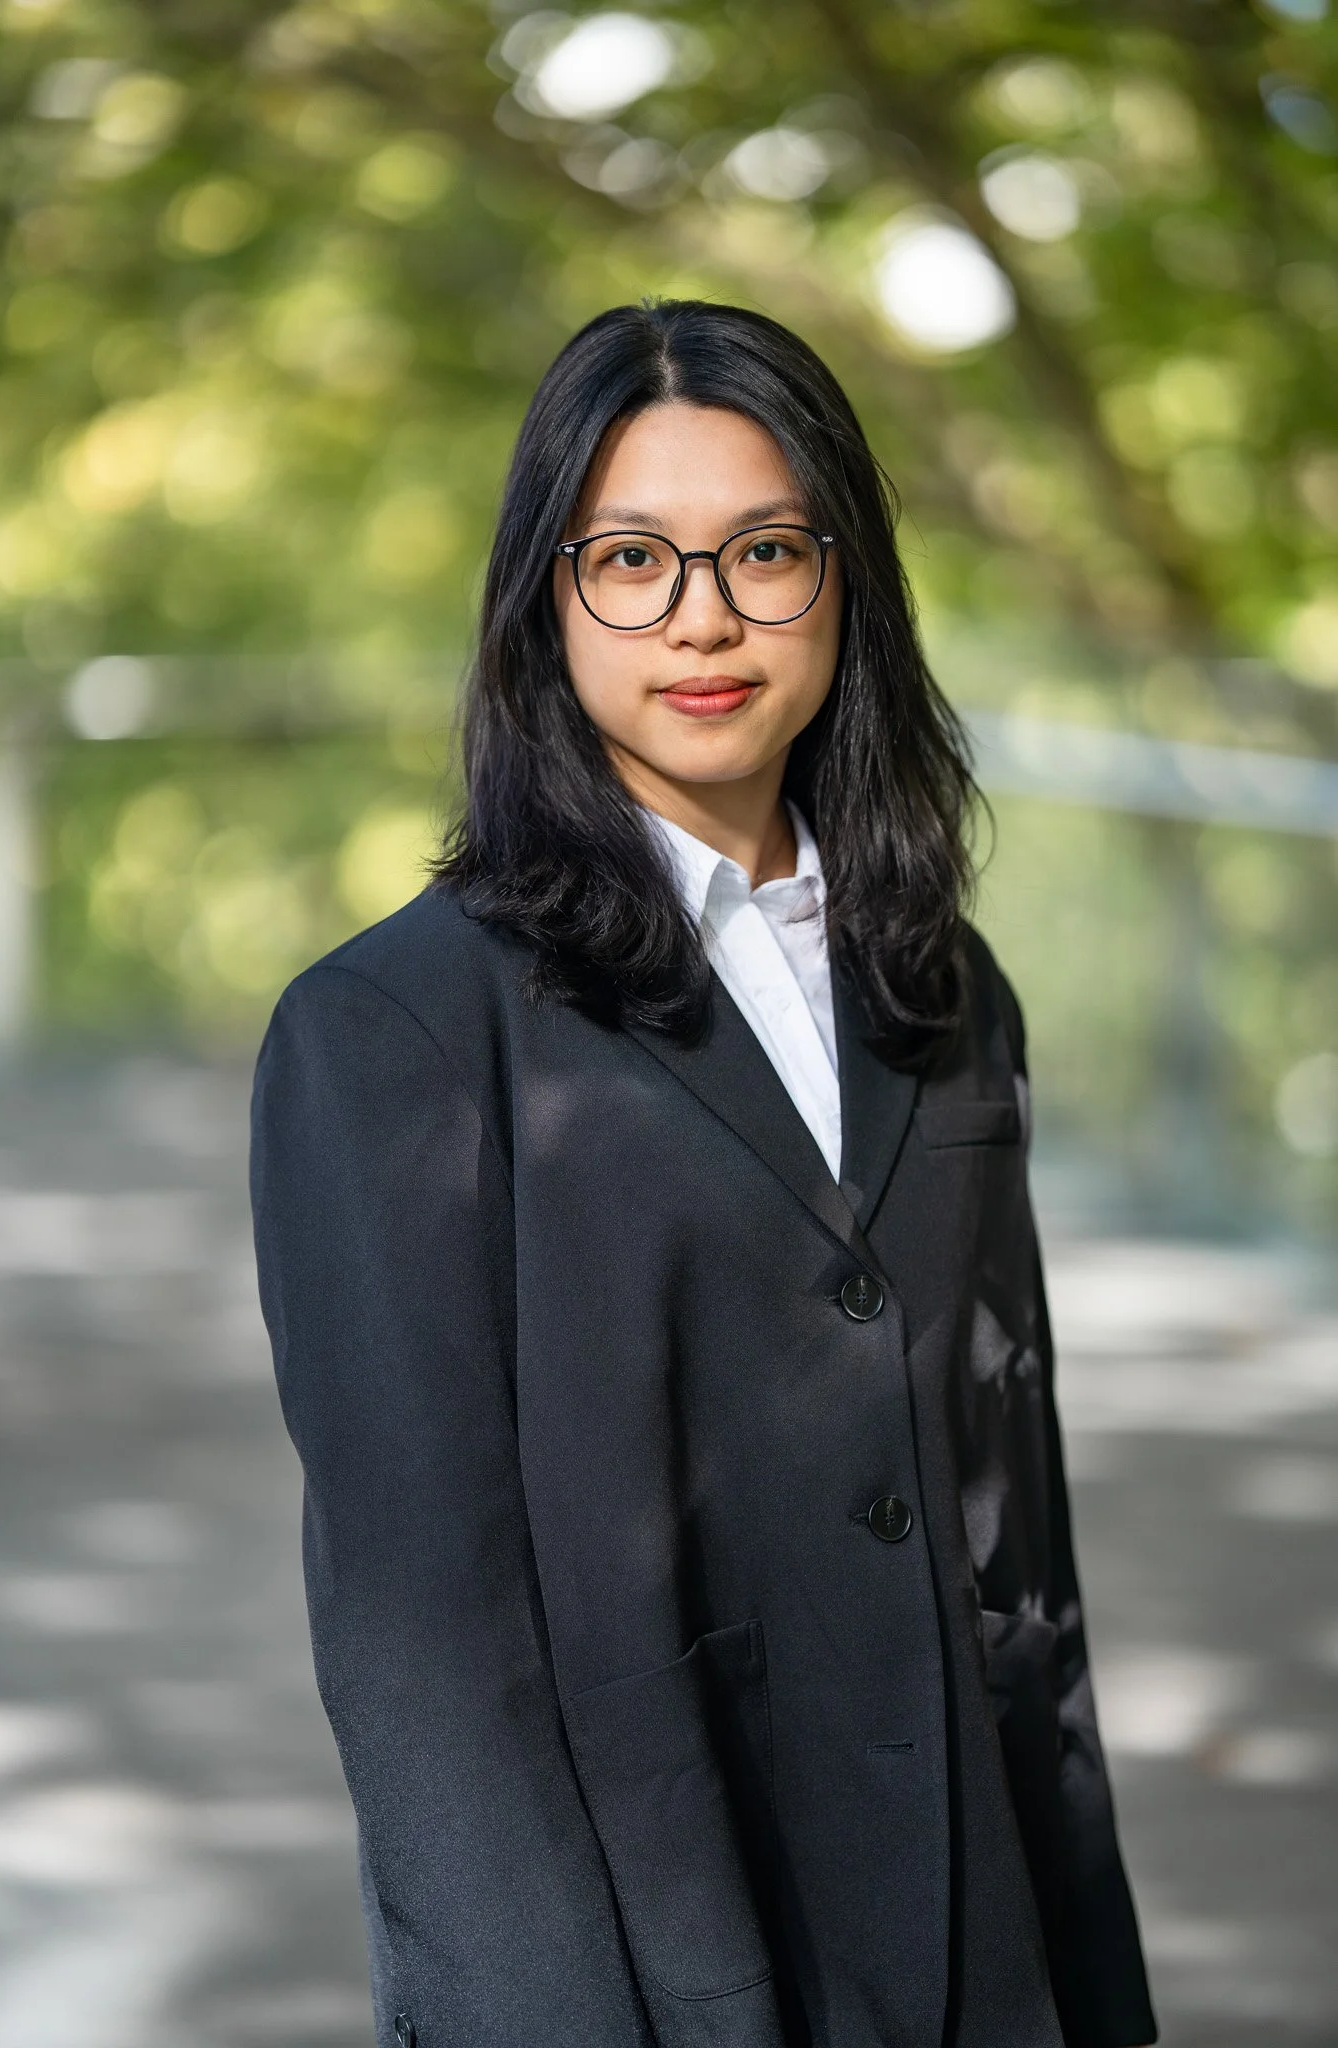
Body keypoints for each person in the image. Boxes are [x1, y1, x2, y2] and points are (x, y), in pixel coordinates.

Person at [249, 299, 1157, 2048]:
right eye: (633, 560)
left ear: (845, 580)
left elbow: (1016, 1562)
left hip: (981, 1948)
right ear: (544, 598)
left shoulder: (950, 993)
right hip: (669, 1968)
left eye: (762, 550)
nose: (707, 618)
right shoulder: (392, 1039)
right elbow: (432, 1677)